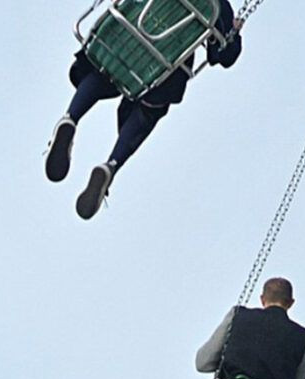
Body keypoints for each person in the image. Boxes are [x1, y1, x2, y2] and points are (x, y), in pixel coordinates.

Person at [45, 0, 243, 220]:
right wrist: (233, 32)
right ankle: (111, 165)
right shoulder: (219, 7)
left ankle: (70, 118)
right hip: (161, 68)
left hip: (122, 36)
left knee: (104, 69)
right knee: (147, 111)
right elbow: (224, 55)